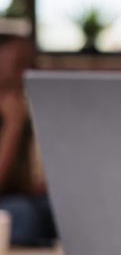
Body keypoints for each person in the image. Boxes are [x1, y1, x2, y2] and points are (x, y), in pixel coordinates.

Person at [0, 33, 57, 247]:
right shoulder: (13, 114)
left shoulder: (32, 105)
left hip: (29, 196)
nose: (29, 71)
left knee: (66, 208)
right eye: (19, 64)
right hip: (11, 202)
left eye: (32, 63)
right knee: (23, 213)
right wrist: (13, 126)